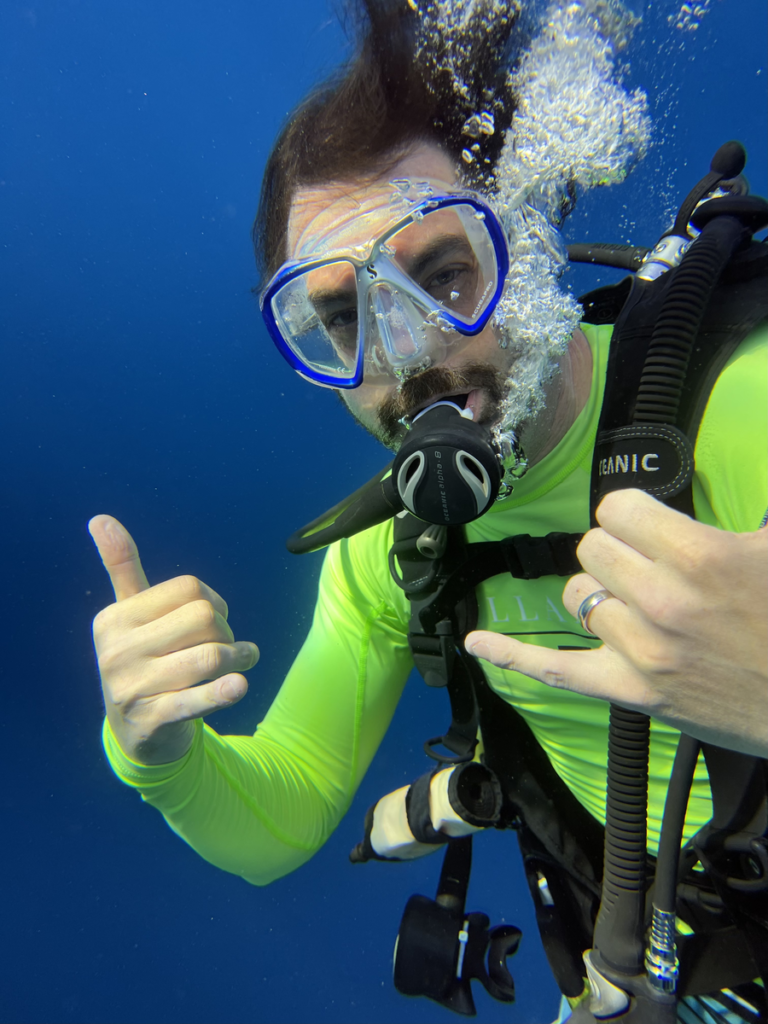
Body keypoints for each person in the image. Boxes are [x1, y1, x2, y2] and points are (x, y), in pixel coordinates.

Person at [88, 1, 767, 1019]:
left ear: (529, 246)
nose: (405, 353)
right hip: (656, 952)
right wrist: (156, 751)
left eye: (445, 273)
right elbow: (277, 820)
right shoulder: (388, 558)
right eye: (343, 318)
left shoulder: (740, 408)